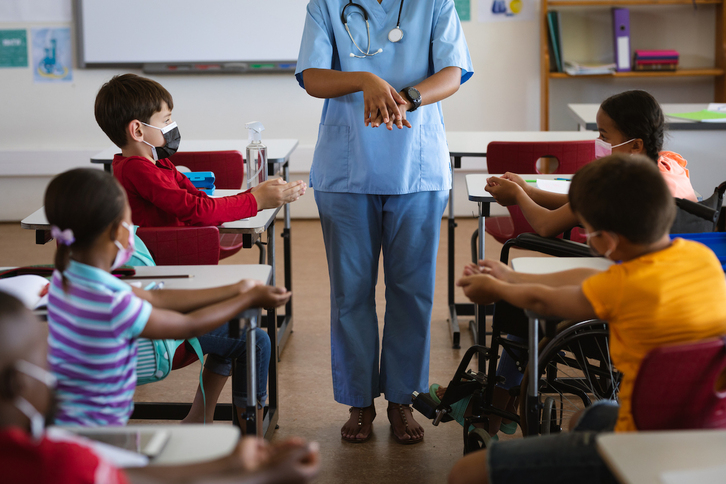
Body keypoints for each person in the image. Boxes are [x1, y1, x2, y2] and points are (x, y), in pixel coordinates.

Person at [448, 154, 726, 484]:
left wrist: (497, 288)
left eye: (590, 234)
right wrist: (512, 276)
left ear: (606, 241)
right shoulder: (700, 257)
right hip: (702, 424)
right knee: (585, 417)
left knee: (465, 474)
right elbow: (589, 277)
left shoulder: (621, 288)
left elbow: (545, 301)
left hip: (640, 441)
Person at [295, 0, 473, 444]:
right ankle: (359, 402)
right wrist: (365, 80)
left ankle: (401, 399)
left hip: (416, 163)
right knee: (350, 293)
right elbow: (313, 77)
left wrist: (406, 97)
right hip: (345, 167)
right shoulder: (327, 5)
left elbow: (453, 72)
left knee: (411, 292)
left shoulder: (433, 4)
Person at [43, 168, 288, 428]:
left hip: (71, 420)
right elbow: (188, 326)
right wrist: (245, 300)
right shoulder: (112, 303)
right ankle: (253, 444)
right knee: (255, 339)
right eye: (130, 224)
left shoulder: (66, 280)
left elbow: (153, 297)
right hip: (98, 431)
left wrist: (236, 289)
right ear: (117, 233)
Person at [0, 291, 320, 484]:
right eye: (46, 356)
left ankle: (202, 420)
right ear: (19, 382)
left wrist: (228, 464)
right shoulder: (57, 461)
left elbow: (123, 477)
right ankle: (247, 427)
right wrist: (266, 476)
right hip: (159, 347)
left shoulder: (52, 453)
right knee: (253, 337)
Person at [94, 73, 307, 228]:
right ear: (138, 130)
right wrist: (257, 200)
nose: (172, 125)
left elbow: (201, 201)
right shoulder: (138, 170)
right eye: (166, 120)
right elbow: (198, 212)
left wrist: (255, 193)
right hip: (163, 258)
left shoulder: (158, 161)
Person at [485, 89, 698, 238]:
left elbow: (545, 226)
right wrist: (529, 191)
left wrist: (518, 196)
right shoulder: (671, 164)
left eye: (604, 136)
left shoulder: (621, 185)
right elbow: (581, 203)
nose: (598, 142)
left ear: (636, 145)